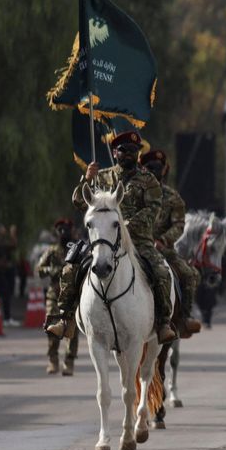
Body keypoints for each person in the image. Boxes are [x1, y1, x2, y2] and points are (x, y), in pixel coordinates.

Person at [47, 131, 177, 345]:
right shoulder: (101, 177)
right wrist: (87, 178)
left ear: (138, 154)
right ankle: (66, 317)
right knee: (71, 267)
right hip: (102, 240)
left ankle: (163, 322)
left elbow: (153, 209)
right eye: (123, 151)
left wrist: (125, 226)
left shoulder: (149, 180)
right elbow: (80, 202)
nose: (128, 155)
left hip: (137, 241)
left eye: (133, 151)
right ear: (115, 153)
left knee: (162, 272)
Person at [140, 150, 202, 337]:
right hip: (134, 244)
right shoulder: (133, 192)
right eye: (148, 167)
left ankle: (183, 318)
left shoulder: (172, 197)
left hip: (162, 249)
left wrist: (163, 240)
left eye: (156, 168)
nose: (152, 171)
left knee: (188, 274)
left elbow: (179, 224)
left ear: (164, 170)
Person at [36, 218, 79, 374]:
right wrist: (50, 271)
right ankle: (53, 360)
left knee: (71, 331)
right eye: (60, 230)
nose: (63, 233)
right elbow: (39, 269)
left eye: (66, 229)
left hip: (72, 297)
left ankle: (69, 362)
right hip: (54, 295)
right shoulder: (52, 251)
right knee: (52, 328)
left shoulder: (76, 250)